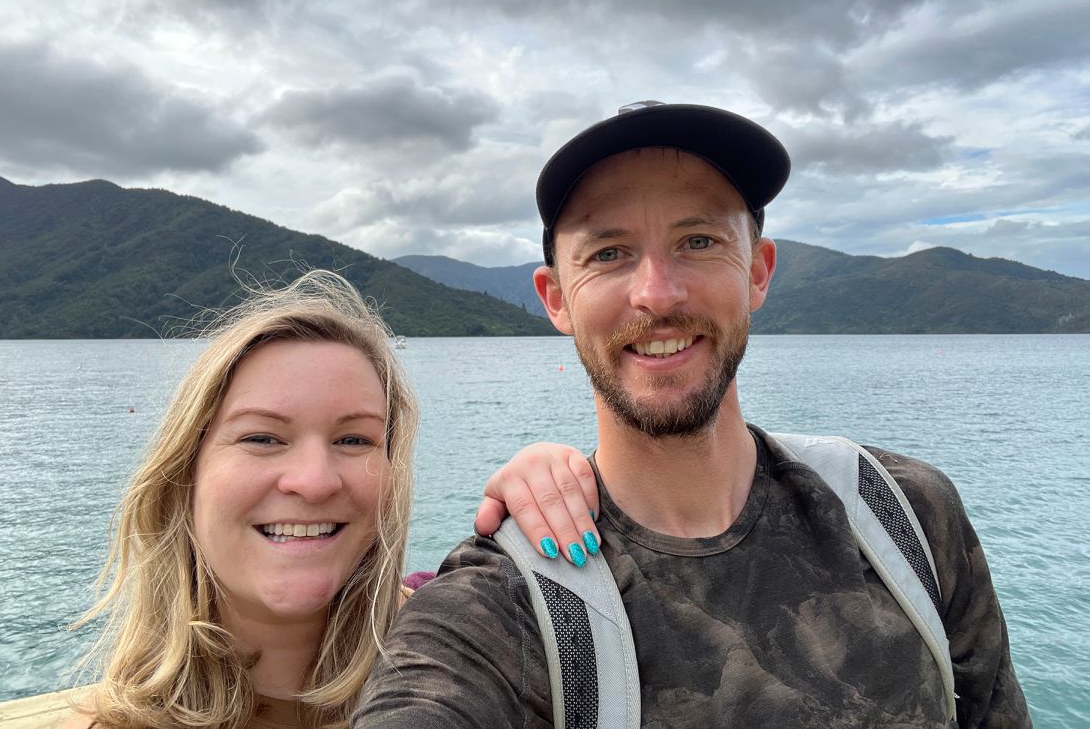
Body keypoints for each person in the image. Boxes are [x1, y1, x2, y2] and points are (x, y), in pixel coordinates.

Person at [354, 102, 1031, 728]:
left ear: (759, 271)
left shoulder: (905, 516)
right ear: (555, 297)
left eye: (700, 240)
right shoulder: (503, 603)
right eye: (609, 253)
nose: (658, 293)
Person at [64, 270, 599, 729]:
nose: (315, 481)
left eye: (354, 440)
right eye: (262, 438)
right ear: (184, 476)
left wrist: (572, 487)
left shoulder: (470, 645)